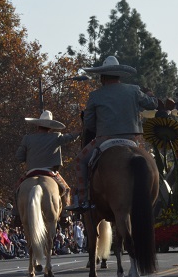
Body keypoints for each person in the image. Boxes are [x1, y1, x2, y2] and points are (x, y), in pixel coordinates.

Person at [66, 56, 157, 212]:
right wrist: (151, 95)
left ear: (102, 77)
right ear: (118, 76)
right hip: (131, 138)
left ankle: (83, 200)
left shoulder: (95, 95)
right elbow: (152, 104)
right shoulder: (134, 90)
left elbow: (88, 122)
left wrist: (99, 129)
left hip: (104, 138)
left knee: (80, 160)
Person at [14, 110, 79, 222]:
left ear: (38, 125)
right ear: (50, 127)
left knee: (16, 189)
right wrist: (80, 131)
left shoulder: (27, 138)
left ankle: (16, 215)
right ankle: (65, 215)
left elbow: (19, 157)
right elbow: (71, 137)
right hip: (50, 172)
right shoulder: (56, 137)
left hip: (31, 172)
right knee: (66, 189)